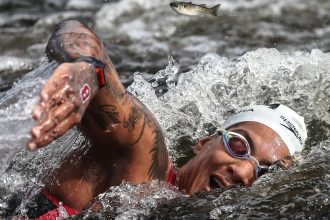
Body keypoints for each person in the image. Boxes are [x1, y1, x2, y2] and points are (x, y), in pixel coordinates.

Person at [25, 19, 307, 219]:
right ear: (204, 142)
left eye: (264, 172)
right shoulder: (144, 159)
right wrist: (84, 66)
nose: (245, 173)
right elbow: (78, 33)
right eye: (240, 145)